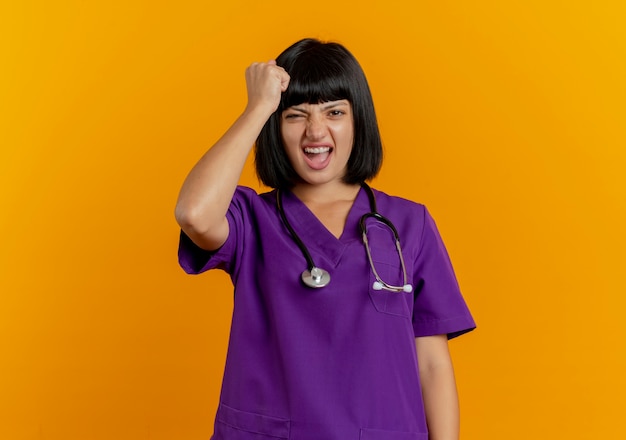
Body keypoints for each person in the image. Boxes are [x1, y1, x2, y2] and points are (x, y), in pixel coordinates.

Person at [175, 38, 475, 440]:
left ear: (358, 121)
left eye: (335, 112)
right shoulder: (252, 220)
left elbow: (432, 364)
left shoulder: (408, 223)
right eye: (295, 116)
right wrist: (258, 107)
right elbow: (194, 214)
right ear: (274, 128)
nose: (315, 131)